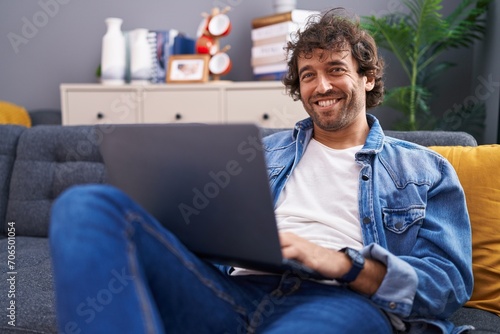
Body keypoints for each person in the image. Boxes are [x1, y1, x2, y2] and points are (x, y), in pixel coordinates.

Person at [49, 8, 473, 334]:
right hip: (229, 291)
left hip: (339, 301)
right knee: (84, 203)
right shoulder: (255, 152)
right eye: (308, 75)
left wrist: (338, 262)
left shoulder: (424, 169)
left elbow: (448, 286)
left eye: (336, 70)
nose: (321, 86)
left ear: (366, 78)